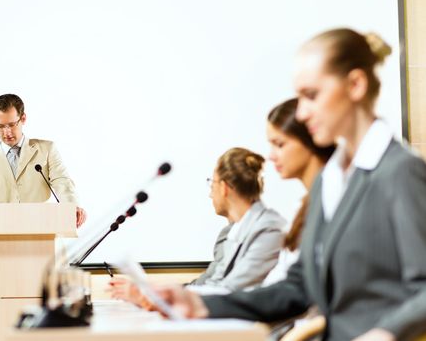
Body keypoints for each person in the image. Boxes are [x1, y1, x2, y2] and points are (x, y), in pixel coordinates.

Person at [157, 28, 426, 341]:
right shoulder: (331, 179)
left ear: (355, 85)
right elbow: (297, 289)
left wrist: (385, 334)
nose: (301, 112)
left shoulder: (400, 171)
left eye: (311, 95)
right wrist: (202, 305)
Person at [0, 93, 87, 331]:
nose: (7, 132)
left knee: (48, 330)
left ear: (23, 119)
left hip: (44, 257)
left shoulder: (45, 150)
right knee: (5, 329)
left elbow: (62, 183)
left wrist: (71, 205)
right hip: (1, 258)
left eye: (12, 124)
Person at [109, 147, 286, 304]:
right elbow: (209, 284)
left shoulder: (269, 228)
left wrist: (153, 296)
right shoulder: (232, 231)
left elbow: (229, 291)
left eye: (212, 183)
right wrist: (152, 293)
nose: (210, 194)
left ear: (224, 187)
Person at [262, 97, 334, 286]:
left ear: (310, 139)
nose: (271, 155)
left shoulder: (335, 200)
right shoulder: (302, 206)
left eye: (280, 144)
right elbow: (281, 280)